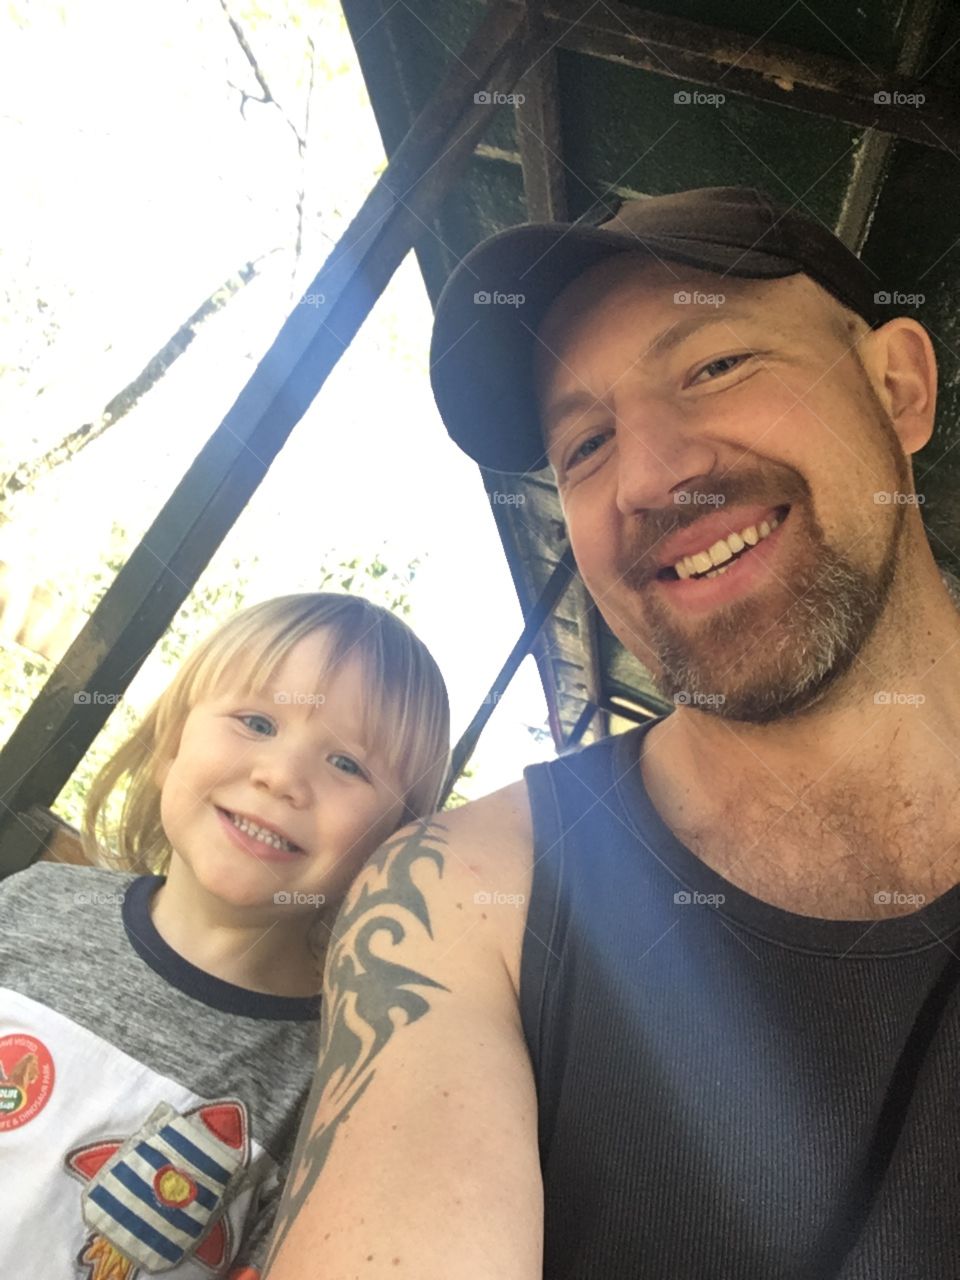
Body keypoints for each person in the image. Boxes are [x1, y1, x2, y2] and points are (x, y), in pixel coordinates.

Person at [264, 188, 960, 1279]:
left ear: (898, 386)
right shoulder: (466, 894)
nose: (648, 478)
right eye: (585, 444)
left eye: (717, 366)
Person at [0, 592, 449, 1278]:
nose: (282, 776)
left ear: (388, 846)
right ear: (170, 746)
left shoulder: (330, 1087)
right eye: (257, 721)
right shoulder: (32, 902)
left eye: (349, 765)